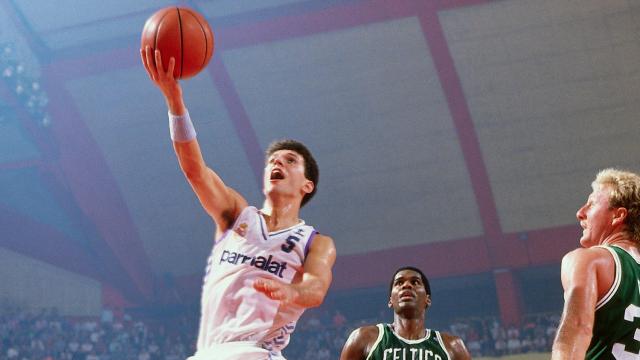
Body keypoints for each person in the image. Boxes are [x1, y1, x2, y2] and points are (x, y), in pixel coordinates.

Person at [140, 47, 336, 360]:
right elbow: (195, 170)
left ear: (307, 185)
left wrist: (292, 292)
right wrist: (174, 102)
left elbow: (316, 288)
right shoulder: (236, 214)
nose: (278, 163)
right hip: (208, 354)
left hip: (256, 353)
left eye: (290, 160)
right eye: (273, 160)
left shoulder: (316, 242)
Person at [552, 168, 640, 359]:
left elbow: (578, 328)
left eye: (591, 205)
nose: (580, 213)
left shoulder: (588, 260)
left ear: (618, 216)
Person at [340, 266, 471, 360]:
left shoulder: (453, 347)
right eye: (399, 283)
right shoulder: (363, 339)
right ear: (390, 300)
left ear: (428, 299)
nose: (406, 285)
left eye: (415, 282)